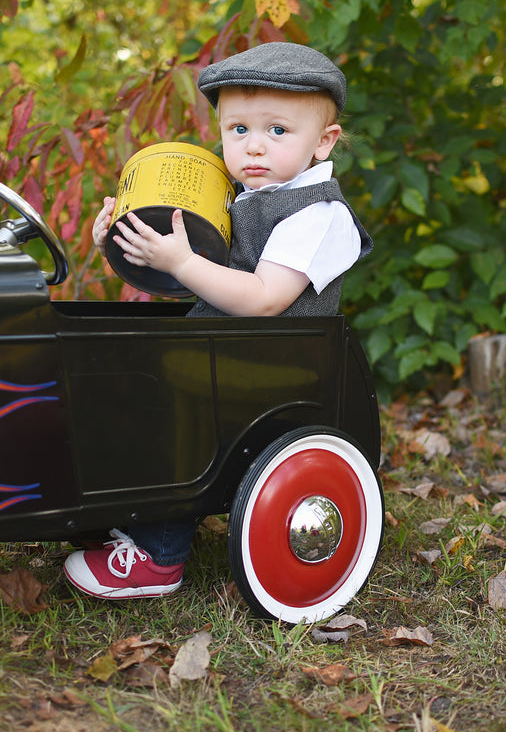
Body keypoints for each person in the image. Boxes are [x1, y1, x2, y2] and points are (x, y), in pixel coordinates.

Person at [64, 42, 374, 599]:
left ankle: (158, 556)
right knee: (120, 370)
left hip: (275, 370)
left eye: (277, 130)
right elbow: (194, 280)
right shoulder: (237, 200)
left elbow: (263, 298)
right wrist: (128, 243)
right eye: (238, 130)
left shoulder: (319, 215)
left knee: (178, 408)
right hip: (224, 355)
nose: (254, 145)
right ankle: (122, 507)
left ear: (323, 142)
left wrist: (183, 261)